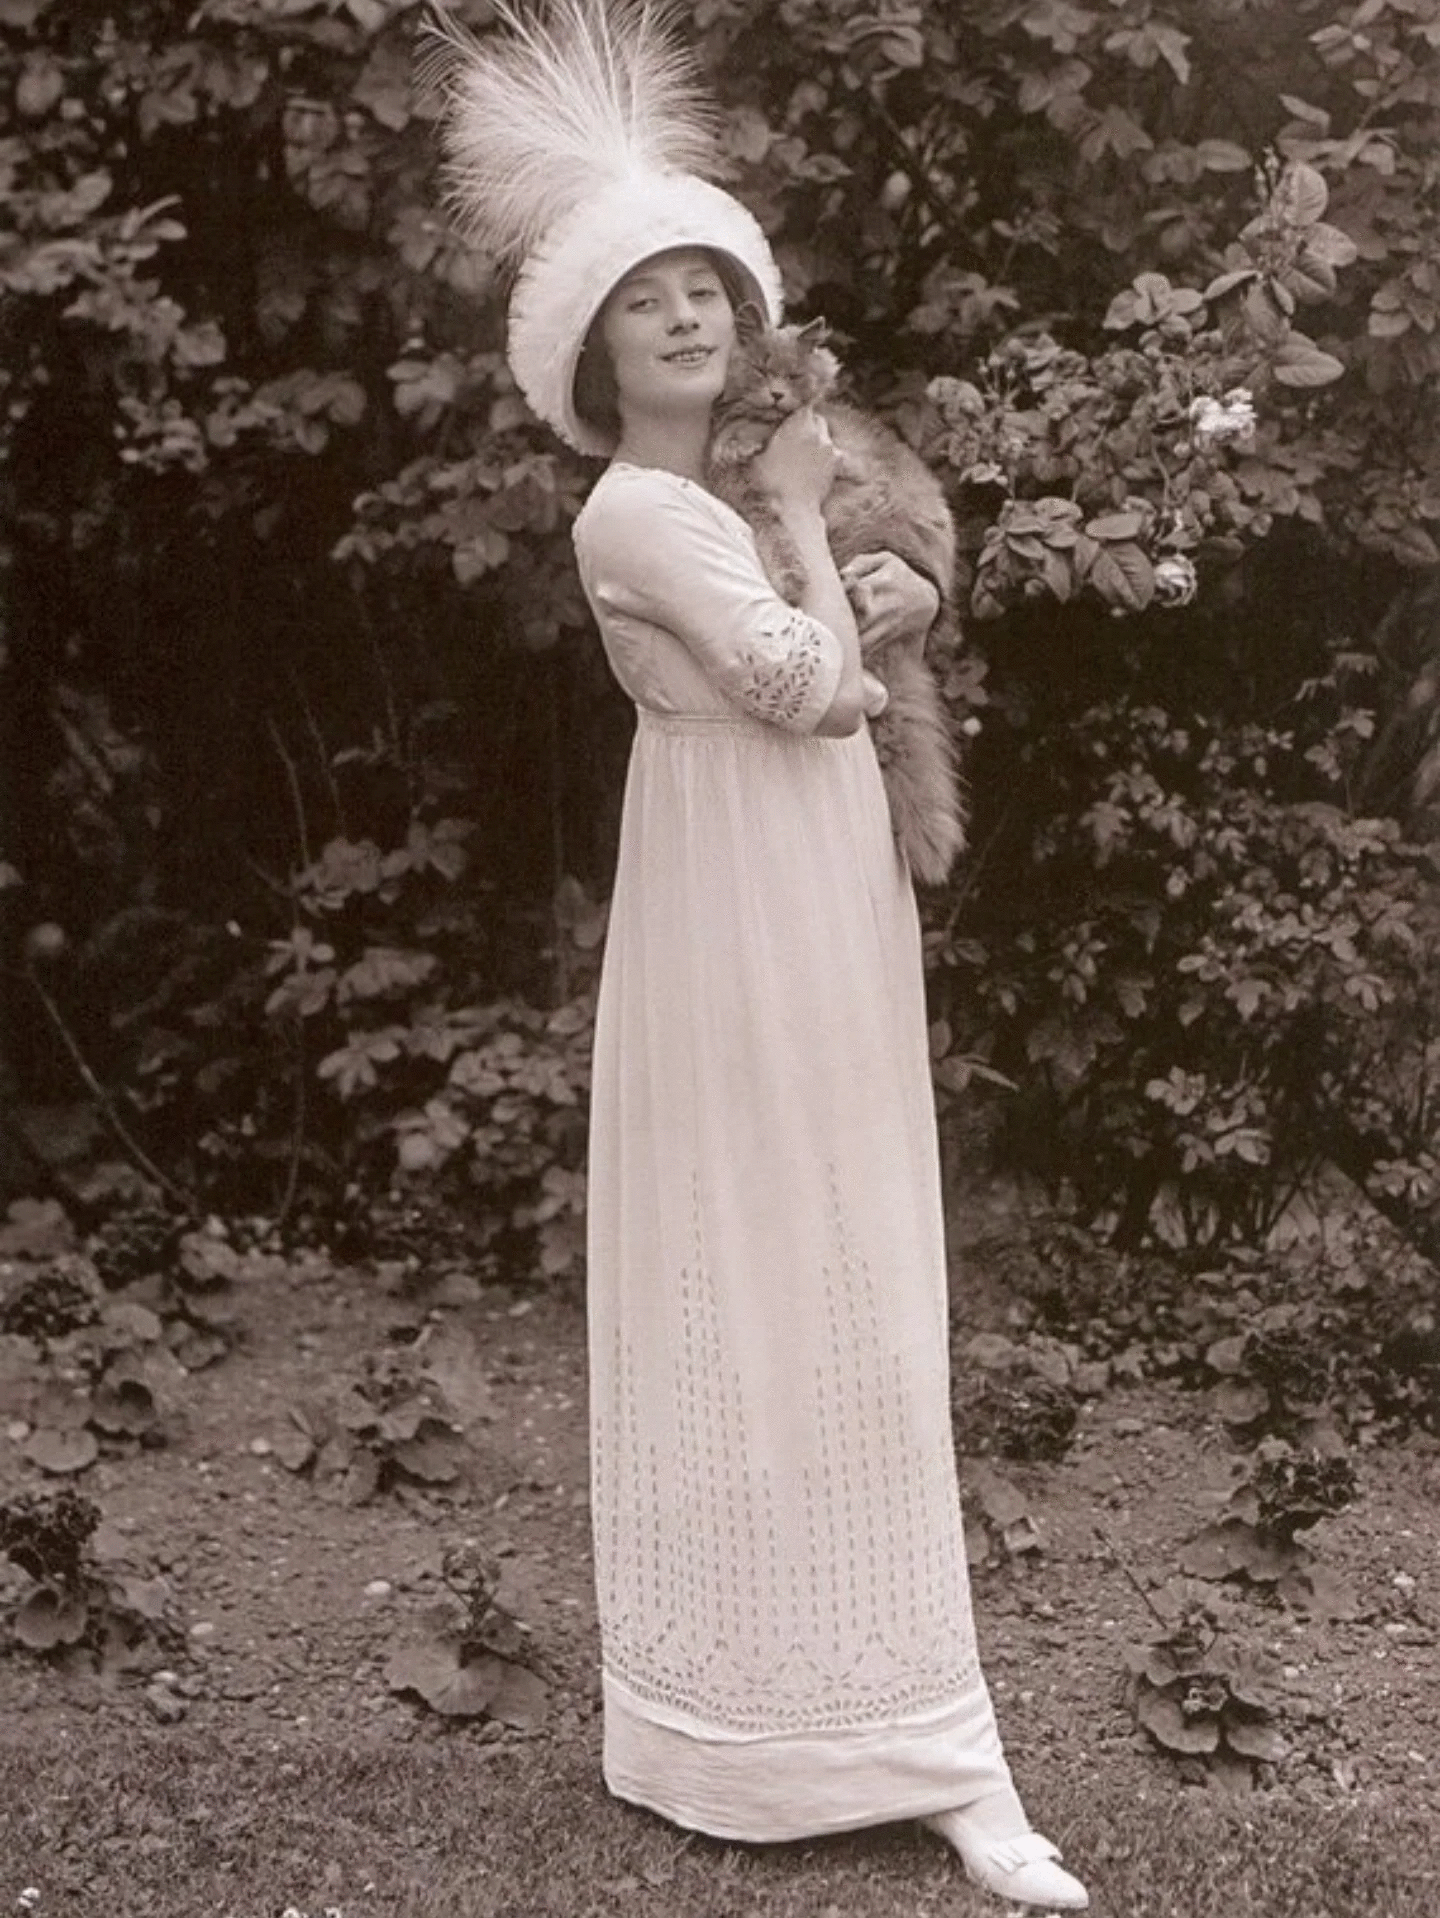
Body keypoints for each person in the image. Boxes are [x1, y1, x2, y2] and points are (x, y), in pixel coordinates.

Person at [423, 5, 1089, 1909]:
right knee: (778, 1256)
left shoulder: (771, 475)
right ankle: (765, 1727)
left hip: (819, 888)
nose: (694, 317)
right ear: (592, 352)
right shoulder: (644, 506)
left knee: (851, 1248)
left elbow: (874, 596)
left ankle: (904, 1724)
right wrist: (807, 543)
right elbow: (803, 690)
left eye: (712, 284)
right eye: (651, 302)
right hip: (738, 894)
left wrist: (893, 572)